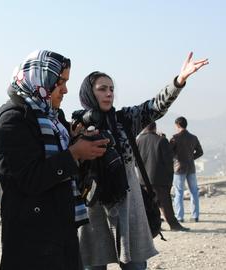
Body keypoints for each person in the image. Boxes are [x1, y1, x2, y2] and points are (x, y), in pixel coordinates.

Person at [76, 52, 208, 270]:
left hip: (129, 208)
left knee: (135, 266)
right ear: (88, 93)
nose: (109, 93)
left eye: (111, 89)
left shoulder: (124, 120)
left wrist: (179, 80)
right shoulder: (76, 126)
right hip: (93, 211)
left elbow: (154, 107)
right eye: (102, 89)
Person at [0, 50, 109, 270]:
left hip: (60, 231)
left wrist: (82, 146)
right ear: (41, 79)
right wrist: (74, 153)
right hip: (32, 240)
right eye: (60, 82)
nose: (64, 89)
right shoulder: (13, 122)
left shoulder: (52, 118)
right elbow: (29, 179)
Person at [137, 122, 189, 231]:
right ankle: (174, 225)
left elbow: (135, 161)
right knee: (165, 204)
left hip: (143, 179)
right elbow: (168, 160)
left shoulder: (138, 140)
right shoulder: (161, 140)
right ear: (155, 128)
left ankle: (153, 226)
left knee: (149, 205)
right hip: (159, 179)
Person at [170, 116, 204, 223]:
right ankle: (195, 216)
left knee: (179, 192)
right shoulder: (193, 137)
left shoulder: (175, 138)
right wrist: (190, 158)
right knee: (194, 192)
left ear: (178, 125)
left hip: (179, 168)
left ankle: (180, 217)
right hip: (191, 167)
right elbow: (200, 152)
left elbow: (169, 153)